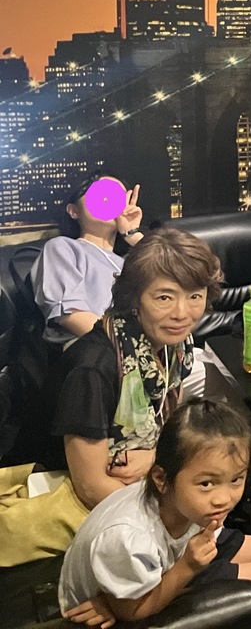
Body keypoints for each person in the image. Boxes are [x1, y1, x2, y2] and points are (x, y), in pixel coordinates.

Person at [0, 229, 220, 567]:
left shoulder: (173, 348)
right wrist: (176, 520)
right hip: (76, 500)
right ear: (134, 298)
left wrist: (152, 458)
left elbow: (159, 429)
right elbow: (90, 486)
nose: (182, 313)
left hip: (136, 486)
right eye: (164, 297)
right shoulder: (94, 366)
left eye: (195, 296)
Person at [59, 400, 251, 629]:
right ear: (161, 479)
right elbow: (131, 610)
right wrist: (188, 566)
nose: (224, 498)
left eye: (236, 479)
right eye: (206, 483)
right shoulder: (129, 536)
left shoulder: (187, 502)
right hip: (125, 602)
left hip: (169, 561)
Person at [34, 173, 144, 346]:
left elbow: (179, 277)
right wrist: (129, 347)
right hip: (99, 349)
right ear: (74, 211)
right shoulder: (63, 248)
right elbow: (71, 315)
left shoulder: (129, 262)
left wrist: (133, 234)